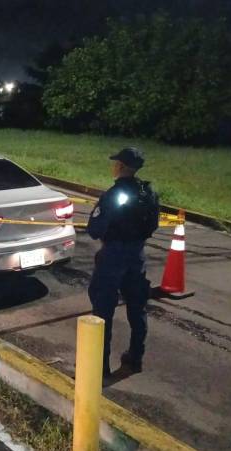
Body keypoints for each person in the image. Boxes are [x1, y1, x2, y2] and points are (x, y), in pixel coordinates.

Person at [87, 147, 160, 377]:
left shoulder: (112, 195)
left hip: (113, 257)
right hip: (137, 256)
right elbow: (154, 225)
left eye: (116, 163)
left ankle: (100, 368)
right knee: (137, 308)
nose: (114, 166)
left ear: (120, 166)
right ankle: (135, 357)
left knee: (103, 310)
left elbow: (94, 228)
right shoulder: (148, 193)